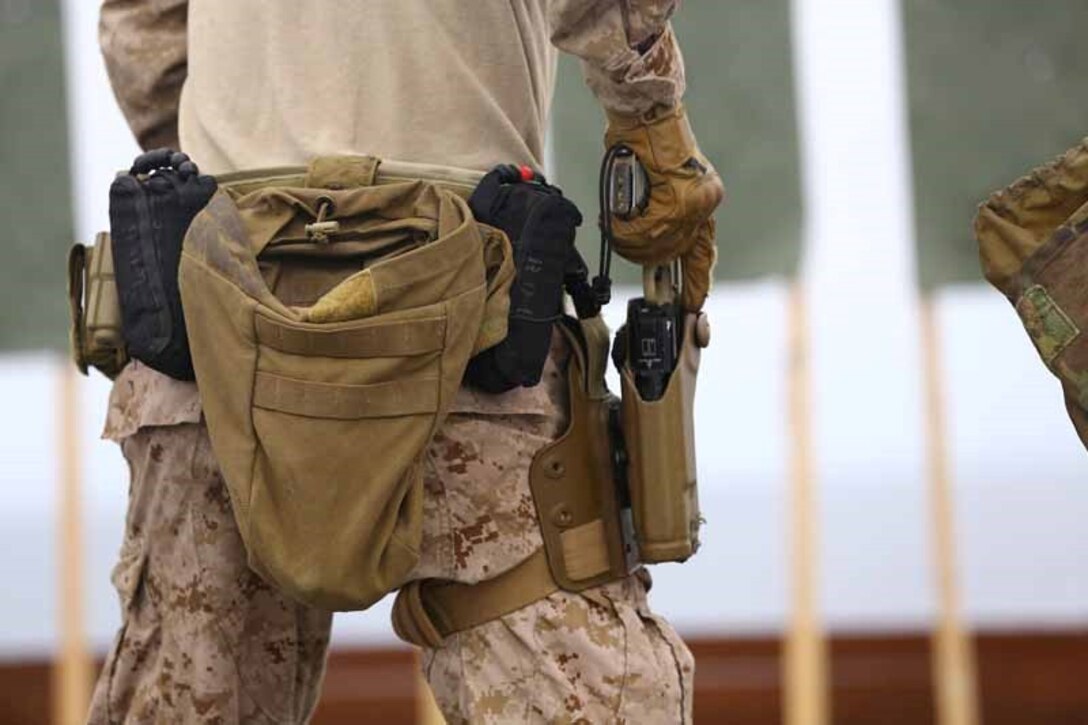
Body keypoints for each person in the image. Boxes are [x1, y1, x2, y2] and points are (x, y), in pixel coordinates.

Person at [91, 1, 720, 722]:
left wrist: (233, 167)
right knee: (571, 687)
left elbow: (142, 29)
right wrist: (650, 115)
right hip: (460, 295)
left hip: (223, 301)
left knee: (189, 687)